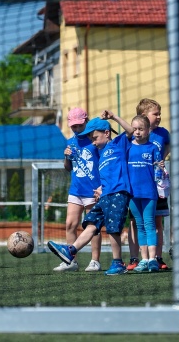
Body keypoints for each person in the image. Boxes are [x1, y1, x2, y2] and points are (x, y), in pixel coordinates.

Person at [48, 111, 134, 276]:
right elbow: (105, 175)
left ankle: (117, 262)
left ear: (106, 133)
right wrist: (101, 188)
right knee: (91, 223)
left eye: (94, 137)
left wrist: (114, 117)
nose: (92, 142)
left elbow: (130, 132)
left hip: (118, 193)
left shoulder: (118, 144)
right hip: (105, 195)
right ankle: (71, 251)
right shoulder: (100, 153)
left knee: (113, 228)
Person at [55, 108, 102, 272]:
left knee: (92, 226)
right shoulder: (70, 141)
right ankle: (71, 261)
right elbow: (68, 168)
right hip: (76, 189)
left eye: (78, 125)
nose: (75, 129)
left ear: (86, 122)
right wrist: (66, 156)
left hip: (93, 190)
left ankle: (95, 261)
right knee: (70, 224)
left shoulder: (95, 140)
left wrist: (101, 186)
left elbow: (103, 164)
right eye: (73, 126)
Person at [127, 98, 171, 271]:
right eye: (156, 114)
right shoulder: (130, 141)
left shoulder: (161, 135)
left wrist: (161, 160)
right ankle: (137, 258)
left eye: (160, 113)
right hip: (134, 190)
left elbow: (168, 146)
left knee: (155, 222)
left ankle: (156, 258)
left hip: (153, 187)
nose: (159, 117)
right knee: (137, 223)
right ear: (144, 116)